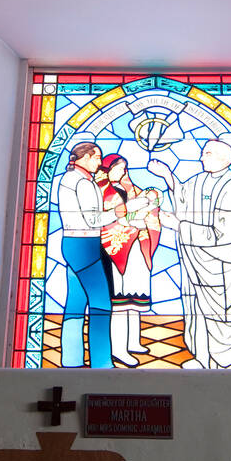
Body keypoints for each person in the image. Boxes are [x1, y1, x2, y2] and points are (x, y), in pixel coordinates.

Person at [148, 140, 231, 369]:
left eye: (207, 153)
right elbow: (183, 194)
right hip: (197, 264)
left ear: (224, 159)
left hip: (224, 268)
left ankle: (226, 365)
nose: (201, 157)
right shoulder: (200, 180)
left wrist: (178, 226)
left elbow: (224, 236)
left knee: (223, 317)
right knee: (197, 309)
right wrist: (168, 175)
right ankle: (203, 357)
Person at [57, 142, 148, 368]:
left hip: (71, 243)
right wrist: (128, 208)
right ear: (84, 158)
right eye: (96, 157)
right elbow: (94, 220)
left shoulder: (69, 179)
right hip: (86, 243)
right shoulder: (83, 183)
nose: (100, 162)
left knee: (76, 304)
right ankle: (101, 363)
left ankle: (71, 359)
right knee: (101, 305)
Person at [96, 154, 161, 366]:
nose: (122, 172)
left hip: (135, 247)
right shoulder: (103, 190)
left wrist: (150, 202)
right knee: (121, 300)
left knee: (135, 297)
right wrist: (139, 210)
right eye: (118, 168)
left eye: (124, 168)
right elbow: (113, 216)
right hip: (116, 249)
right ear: (107, 168)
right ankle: (119, 349)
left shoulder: (126, 188)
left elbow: (141, 207)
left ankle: (133, 341)